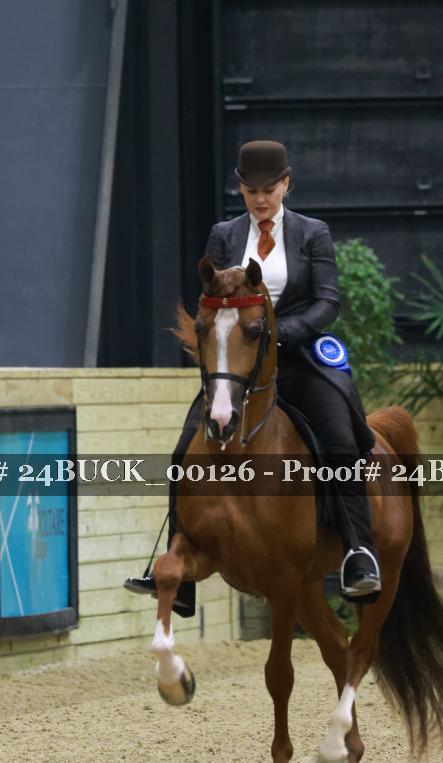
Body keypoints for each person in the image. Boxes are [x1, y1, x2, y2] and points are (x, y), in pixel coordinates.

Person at [125, 140, 381, 613]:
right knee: (183, 450)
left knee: (340, 437)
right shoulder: (223, 235)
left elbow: (328, 301)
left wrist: (281, 333)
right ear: (241, 189)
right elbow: (210, 301)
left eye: (269, 189)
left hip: (298, 359)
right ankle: (181, 569)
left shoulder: (312, 233)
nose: (261, 199)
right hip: (240, 368)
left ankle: (358, 552)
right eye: (252, 191)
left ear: (286, 184)